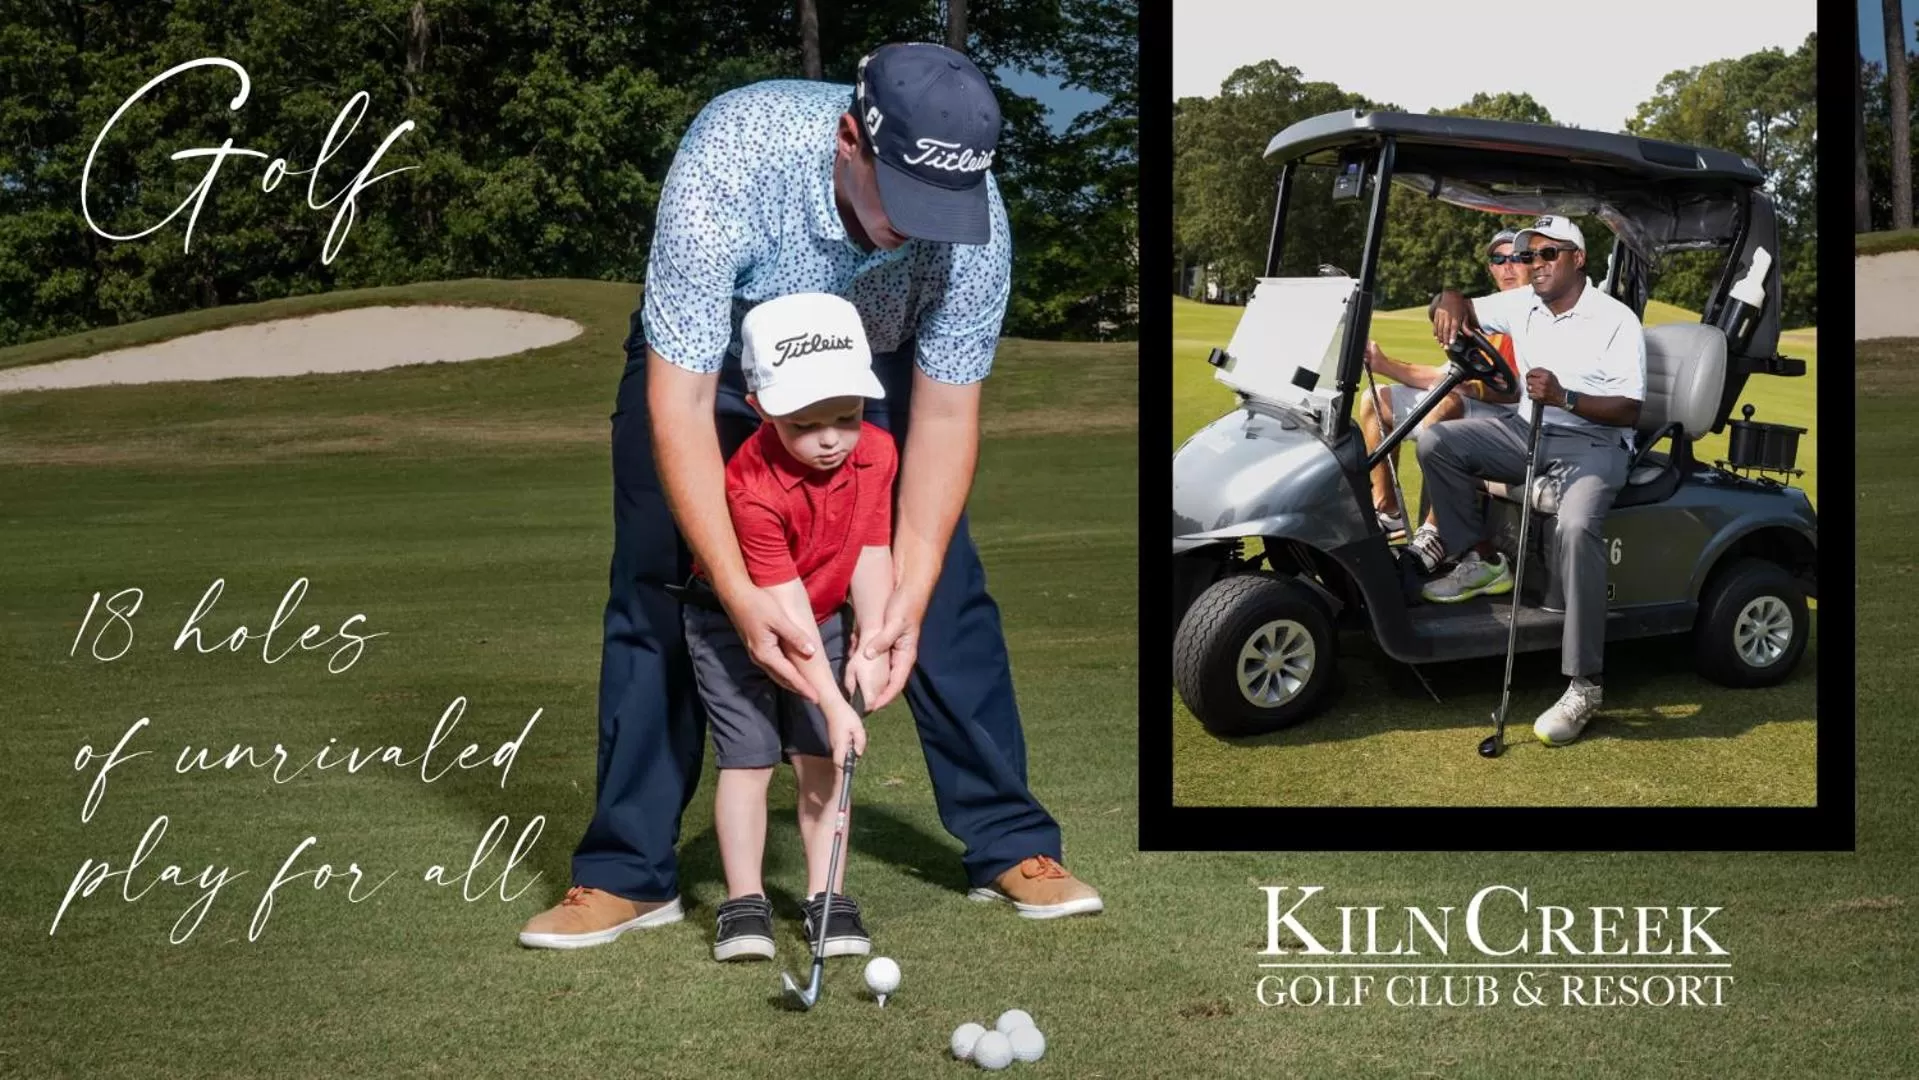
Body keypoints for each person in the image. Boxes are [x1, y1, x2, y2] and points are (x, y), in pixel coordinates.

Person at [518, 42, 1101, 953]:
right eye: (900, 201)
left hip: (869, 370)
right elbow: (676, 399)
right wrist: (743, 593)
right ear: (848, 140)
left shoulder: (971, 224)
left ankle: (1010, 843)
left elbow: (944, 419)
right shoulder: (734, 155)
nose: (915, 230)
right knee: (661, 586)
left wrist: (902, 597)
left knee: (939, 589)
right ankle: (627, 873)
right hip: (716, 370)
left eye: (938, 210)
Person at [684, 291, 893, 963]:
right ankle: (744, 902)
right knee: (747, 760)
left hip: (826, 614)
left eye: (847, 417)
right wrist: (833, 702)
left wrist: (873, 640)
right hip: (733, 625)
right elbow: (783, 616)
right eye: (806, 424)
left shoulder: (876, 453)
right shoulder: (749, 484)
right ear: (760, 409)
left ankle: (826, 898)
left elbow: (869, 548)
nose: (831, 439)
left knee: (820, 762)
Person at [1416, 216, 1645, 747]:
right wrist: (1449, 298)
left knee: (1576, 524)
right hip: (1527, 431)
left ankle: (1584, 683)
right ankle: (1483, 560)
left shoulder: (1615, 319)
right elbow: (1466, 304)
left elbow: (1632, 410)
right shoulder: (1525, 303)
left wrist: (1566, 397)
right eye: (1527, 256)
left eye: (1546, 254)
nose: (1532, 265)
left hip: (1594, 440)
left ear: (1577, 258)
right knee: (1438, 443)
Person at [1356, 227, 1529, 558]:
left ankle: (1436, 528)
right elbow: (1443, 375)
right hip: (1482, 406)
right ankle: (1389, 513)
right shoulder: (1486, 318)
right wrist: (1384, 363)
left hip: (1514, 420)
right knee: (1377, 399)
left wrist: (1470, 387)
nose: (1507, 266)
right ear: (1490, 267)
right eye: (1498, 259)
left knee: (1446, 404)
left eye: (1516, 258)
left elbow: (1517, 390)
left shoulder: (1534, 314)